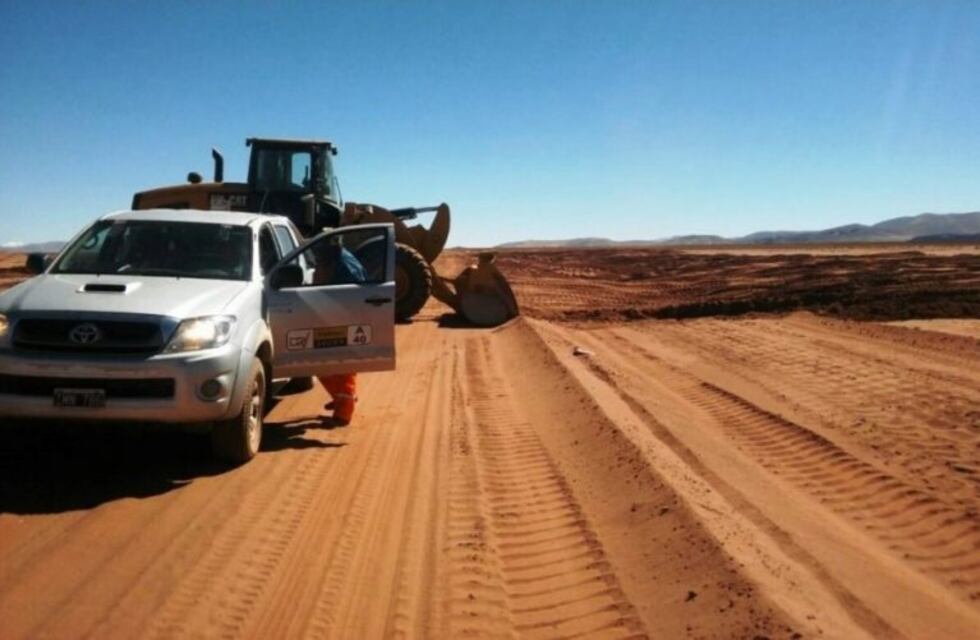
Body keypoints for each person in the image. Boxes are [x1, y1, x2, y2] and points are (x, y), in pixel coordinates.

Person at [311, 240, 367, 426]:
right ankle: (341, 399)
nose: (317, 258)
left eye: (319, 254)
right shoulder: (341, 259)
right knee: (328, 364)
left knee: (342, 367)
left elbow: (350, 294)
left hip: (343, 319)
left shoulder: (343, 267)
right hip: (337, 317)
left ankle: (344, 412)